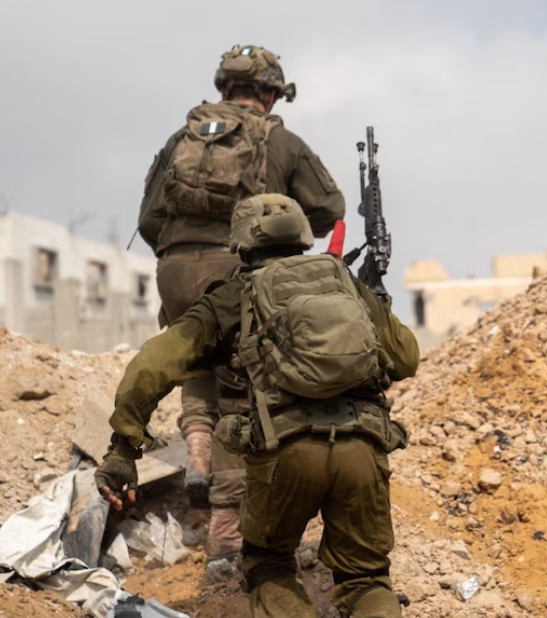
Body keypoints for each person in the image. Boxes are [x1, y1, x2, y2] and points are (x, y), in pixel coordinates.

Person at [97, 195, 417, 618]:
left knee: (269, 564)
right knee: (366, 579)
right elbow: (406, 358)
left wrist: (124, 449)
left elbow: (152, 365)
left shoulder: (233, 296)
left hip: (287, 456)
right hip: (363, 446)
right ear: (303, 237)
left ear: (241, 245)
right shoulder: (343, 282)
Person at [136, 44, 346, 564]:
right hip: (237, 270)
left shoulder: (180, 140)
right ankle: (227, 537)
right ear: (272, 93)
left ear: (222, 88)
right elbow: (329, 208)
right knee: (241, 390)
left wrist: (181, 257)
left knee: (196, 363)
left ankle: (199, 456)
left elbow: (148, 218)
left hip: (174, 272)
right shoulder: (280, 140)